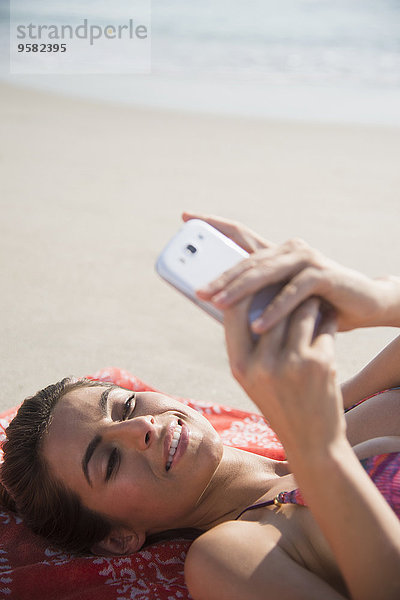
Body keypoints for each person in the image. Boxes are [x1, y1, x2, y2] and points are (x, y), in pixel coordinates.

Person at [1, 213, 400, 600]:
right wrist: (317, 447)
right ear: (119, 537)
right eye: (109, 461)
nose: (140, 427)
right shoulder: (230, 557)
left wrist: (372, 299)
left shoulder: (343, 414)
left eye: (125, 406)